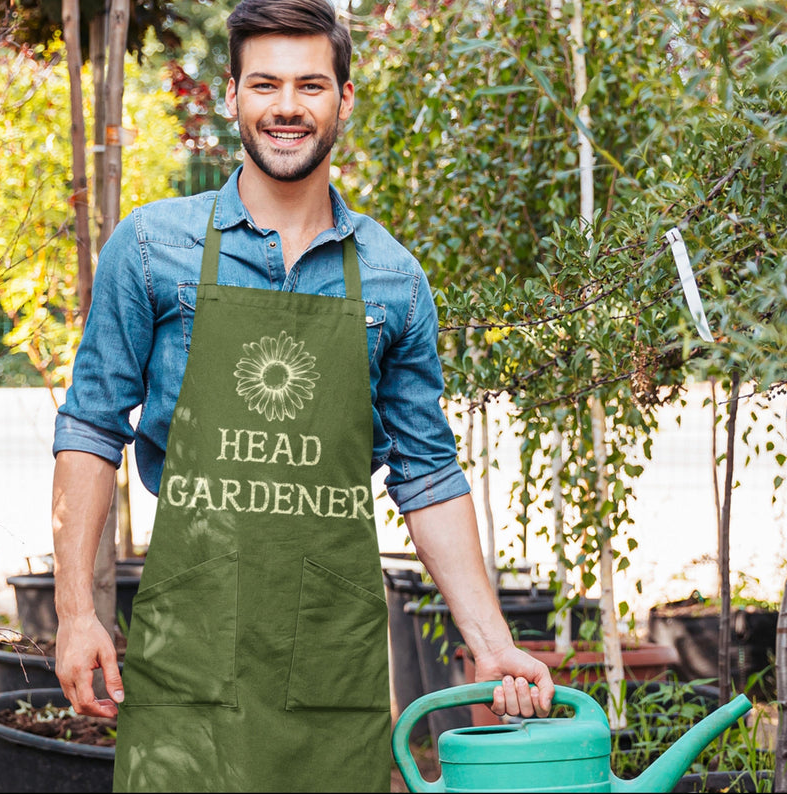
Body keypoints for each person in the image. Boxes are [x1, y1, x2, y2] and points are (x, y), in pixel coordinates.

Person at [51, 1, 554, 790]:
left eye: (311, 85)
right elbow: (89, 427)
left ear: (344, 99)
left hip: (330, 671)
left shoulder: (395, 279)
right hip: (187, 659)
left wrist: (489, 639)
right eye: (266, 85)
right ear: (234, 95)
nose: (287, 107)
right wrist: (77, 612)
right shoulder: (151, 249)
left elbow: (426, 472)